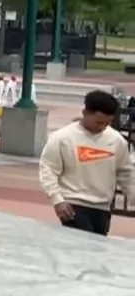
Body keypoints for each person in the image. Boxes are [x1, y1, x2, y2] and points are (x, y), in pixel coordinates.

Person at [39, 89, 135, 236]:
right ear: (85, 113)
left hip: (102, 208)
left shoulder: (117, 141)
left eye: (107, 123)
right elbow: (48, 170)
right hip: (73, 205)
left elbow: (126, 173)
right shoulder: (62, 138)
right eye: (98, 122)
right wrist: (57, 200)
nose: (102, 127)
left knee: (95, 251)